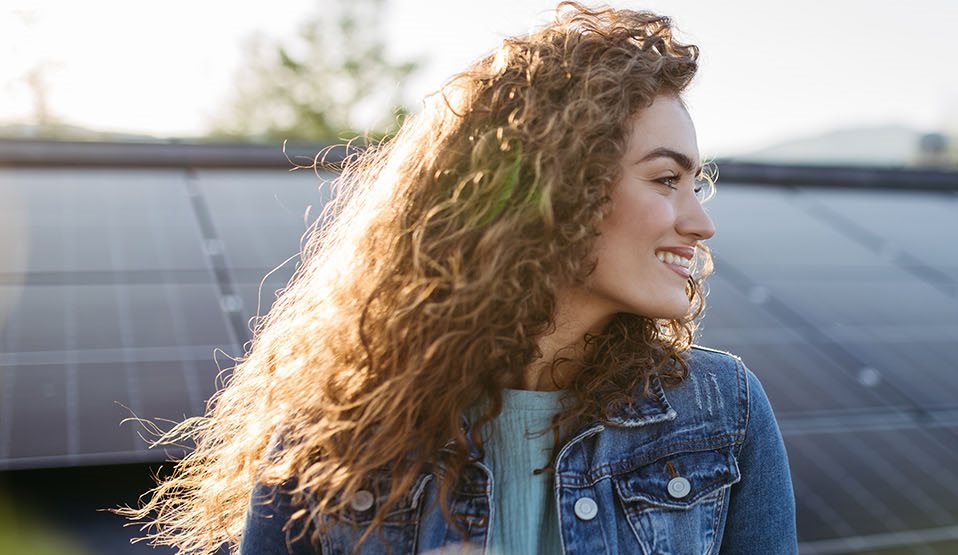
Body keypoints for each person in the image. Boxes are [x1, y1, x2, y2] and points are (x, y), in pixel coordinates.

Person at [122, 2, 797, 553]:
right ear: (557, 190)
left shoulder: (722, 411)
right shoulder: (331, 434)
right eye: (665, 179)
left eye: (696, 183)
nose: (700, 223)